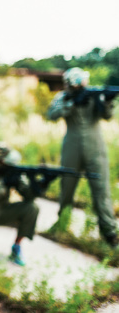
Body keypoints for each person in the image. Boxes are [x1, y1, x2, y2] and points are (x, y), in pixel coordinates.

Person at [47, 67, 118, 248]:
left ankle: (109, 232)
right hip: (72, 147)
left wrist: (108, 101)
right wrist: (71, 104)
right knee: (67, 187)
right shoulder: (63, 97)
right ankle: (62, 223)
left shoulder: (95, 95)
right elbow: (52, 114)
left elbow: (107, 116)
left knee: (101, 191)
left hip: (96, 148)